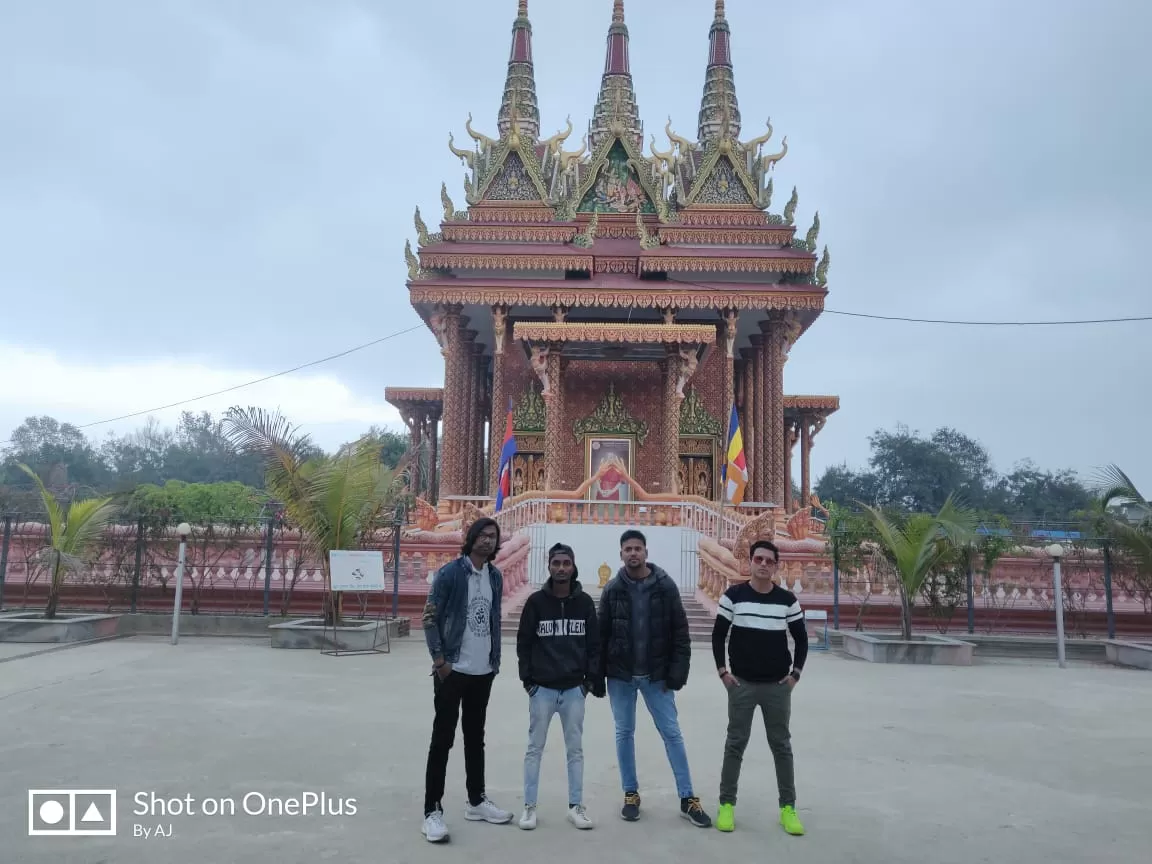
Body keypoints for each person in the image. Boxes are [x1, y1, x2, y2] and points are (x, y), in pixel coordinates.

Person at [594, 529, 711, 828]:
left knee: (672, 734)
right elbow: (600, 635)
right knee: (624, 733)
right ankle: (630, 793)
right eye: (628, 549)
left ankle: (687, 797)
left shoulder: (665, 586)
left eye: (637, 548)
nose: (633, 553)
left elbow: (680, 633)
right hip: (621, 674)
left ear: (646, 552)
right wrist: (595, 675)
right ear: (620, 554)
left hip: (656, 675)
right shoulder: (612, 589)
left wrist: (677, 672)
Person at [420, 517, 513, 842]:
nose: (488, 541)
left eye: (493, 536)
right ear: (471, 538)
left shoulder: (496, 577)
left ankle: (476, 800)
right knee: (442, 739)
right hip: (453, 670)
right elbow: (429, 616)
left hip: (482, 671)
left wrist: (494, 661)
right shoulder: (450, 574)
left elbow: (493, 620)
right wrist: (440, 661)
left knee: (476, 739)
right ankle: (432, 810)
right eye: (483, 535)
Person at [711, 539, 808, 836]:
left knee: (781, 746)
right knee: (735, 744)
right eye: (758, 559)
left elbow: (801, 639)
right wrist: (723, 673)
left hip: (777, 686)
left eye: (769, 560)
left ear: (776, 566)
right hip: (741, 684)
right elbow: (718, 636)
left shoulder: (787, 600)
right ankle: (726, 805)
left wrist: (794, 676)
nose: (763, 564)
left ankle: (788, 808)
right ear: (750, 562)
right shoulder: (733, 596)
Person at [515, 543, 601, 831]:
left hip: (574, 689)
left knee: (575, 749)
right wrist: (528, 681)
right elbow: (524, 643)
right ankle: (529, 807)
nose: (561, 568)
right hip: (542, 689)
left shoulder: (585, 603)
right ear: (549, 566)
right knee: (534, 748)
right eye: (556, 563)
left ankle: (576, 806)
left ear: (573, 566)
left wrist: (587, 683)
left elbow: (594, 645)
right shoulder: (536, 603)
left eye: (566, 563)